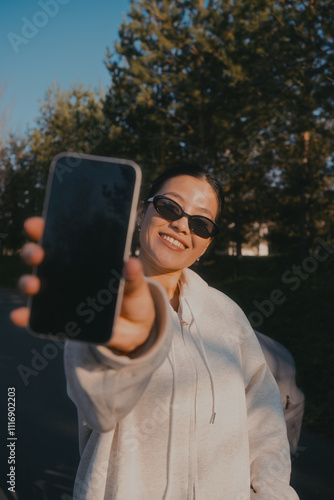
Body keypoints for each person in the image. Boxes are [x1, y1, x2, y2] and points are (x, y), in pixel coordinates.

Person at [11, 165, 299, 500]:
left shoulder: (229, 315)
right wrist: (129, 350)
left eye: (201, 223)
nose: (181, 224)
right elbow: (100, 409)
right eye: (169, 207)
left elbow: (265, 423)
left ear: (206, 244)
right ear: (140, 213)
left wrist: (271, 493)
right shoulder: (102, 303)